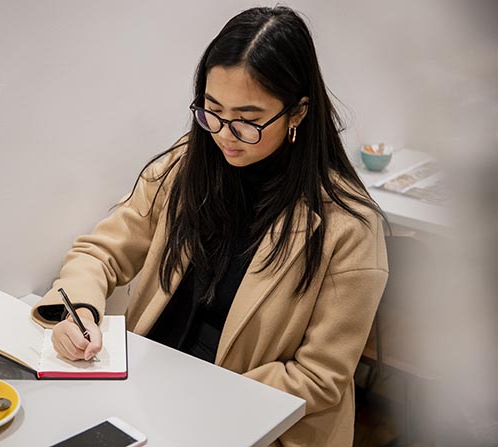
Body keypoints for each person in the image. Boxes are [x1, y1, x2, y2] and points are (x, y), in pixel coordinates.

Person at [32, 5, 388, 446]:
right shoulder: (189, 163)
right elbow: (100, 252)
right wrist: (80, 311)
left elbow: (318, 375)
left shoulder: (347, 224)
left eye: (249, 120)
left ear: (297, 113)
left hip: (250, 420)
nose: (223, 133)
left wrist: (198, 396)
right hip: (145, 392)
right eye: (212, 109)